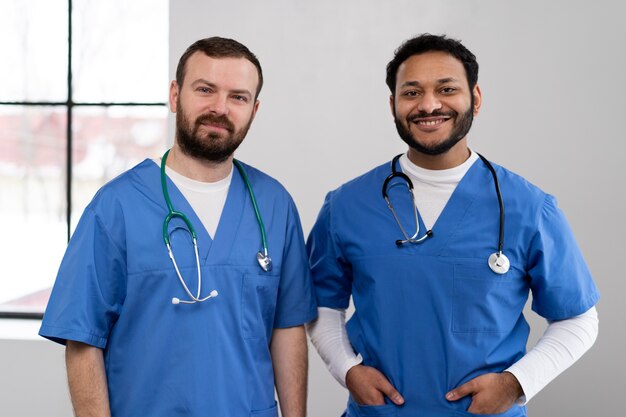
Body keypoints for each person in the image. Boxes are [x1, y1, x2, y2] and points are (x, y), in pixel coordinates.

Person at [306, 34, 599, 417]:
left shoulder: (528, 207)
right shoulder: (346, 205)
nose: (429, 105)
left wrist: (516, 384)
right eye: (411, 92)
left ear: (475, 98)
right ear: (392, 104)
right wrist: (346, 369)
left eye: (447, 89)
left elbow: (578, 318)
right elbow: (320, 304)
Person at [39, 37, 317, 417]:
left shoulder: (274, 204)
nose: (220, 108)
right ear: (175, 95)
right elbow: (82, 341)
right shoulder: (116, 206)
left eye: (237, 97)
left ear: (253, 110)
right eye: (205, 90)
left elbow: (287, 330)